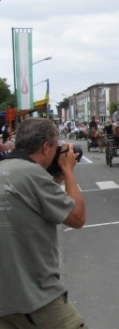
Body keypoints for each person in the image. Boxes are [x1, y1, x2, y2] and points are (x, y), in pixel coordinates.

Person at [0, 118, 87, 328]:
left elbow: (29, 201)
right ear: (46, 147)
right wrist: (67, 171)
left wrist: (53, 178)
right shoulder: (34, 175)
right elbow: (77, 217)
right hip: (36, 297)